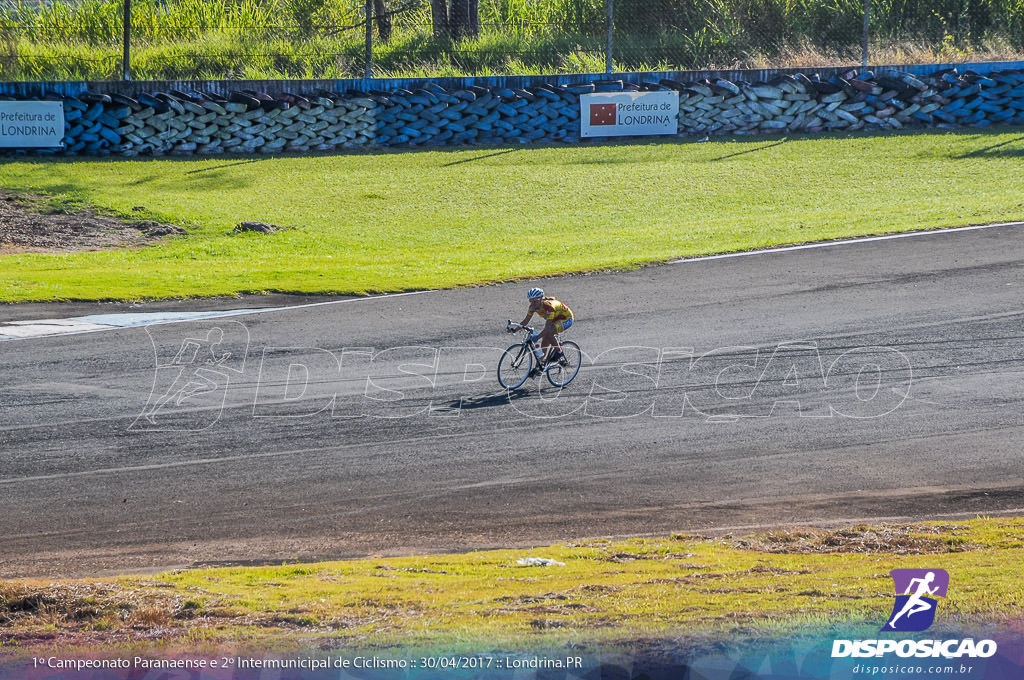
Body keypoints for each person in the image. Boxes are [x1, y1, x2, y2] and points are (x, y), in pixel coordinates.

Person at [511, 287, 574, 375]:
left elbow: (547, 328)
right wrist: (514, 330)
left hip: (566, 318)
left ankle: (559, 352)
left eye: (534, 301)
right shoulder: (532, 307)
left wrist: (536, 338)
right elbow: (525, 321)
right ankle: (538, 368)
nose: (532, 304)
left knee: (549, 331)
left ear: (540, 299)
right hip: (555, 319)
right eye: (530, 301)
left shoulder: (549, 307)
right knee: (544, 343)